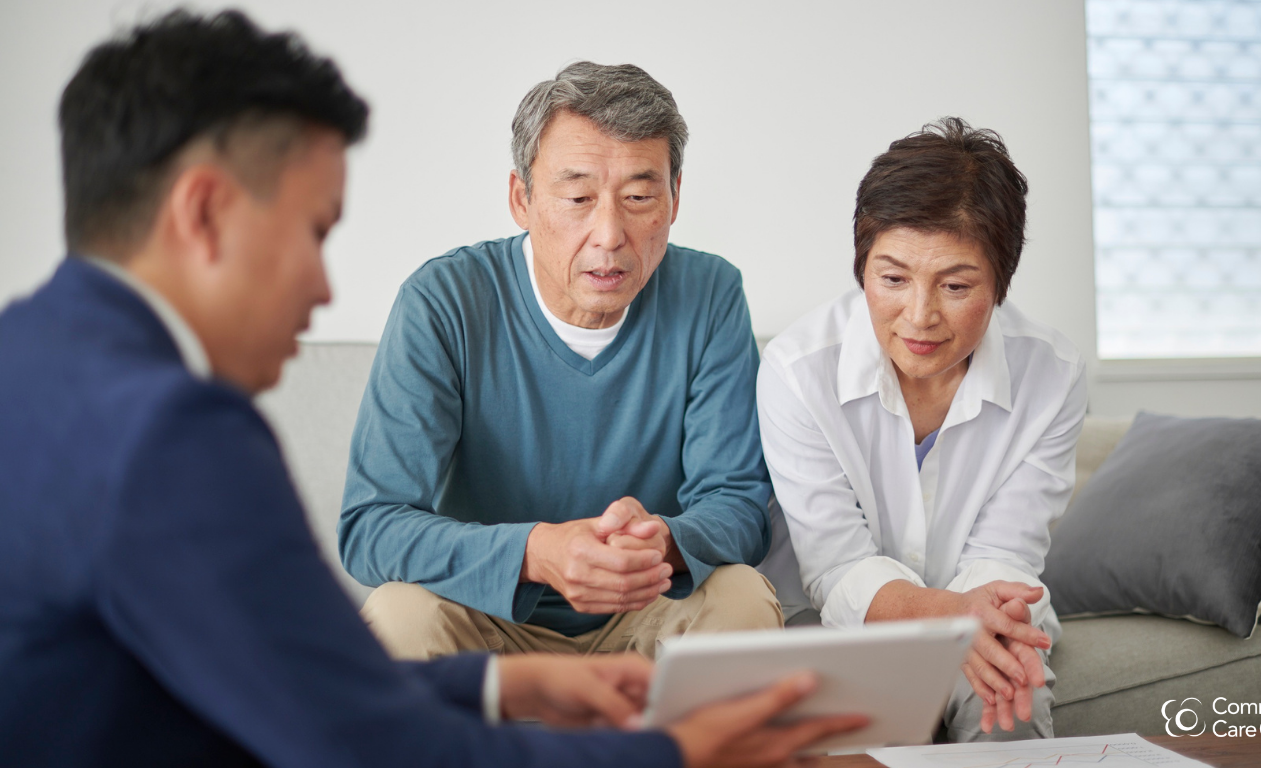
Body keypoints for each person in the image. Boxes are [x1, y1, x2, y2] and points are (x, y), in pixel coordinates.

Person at [0, 10, 864, 767]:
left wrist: (503, 686)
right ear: (203, 212)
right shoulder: (173, 433)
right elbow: (361, 735)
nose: (324, 292)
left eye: (640, 195)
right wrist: (672, 751)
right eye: (314, 231)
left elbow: (312, 686)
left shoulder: (31, 363)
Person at [340, 61, 781, 661]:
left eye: (639, 197)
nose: (609, 234)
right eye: (577, 197)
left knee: (742, 598)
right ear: (521, 199)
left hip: (646, 611)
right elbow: (372, 525)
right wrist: (535, 552)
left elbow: (738, 504)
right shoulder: (442, 301)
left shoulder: (710, 293)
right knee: (397, 615)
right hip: (487, 616)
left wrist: (663, 542)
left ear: (675, 199)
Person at [756, 118, 1088, 742]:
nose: (920, 316)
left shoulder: (1053, 373)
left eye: (957, 286)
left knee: (1009, 699)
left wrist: (974, 625)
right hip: (845, 625)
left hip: (984, 610)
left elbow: (1006, 556)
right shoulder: (798, 371)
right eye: (892, 279)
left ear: (1001, 283)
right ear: (862, 268)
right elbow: (836, 568)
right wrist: (948, 617)